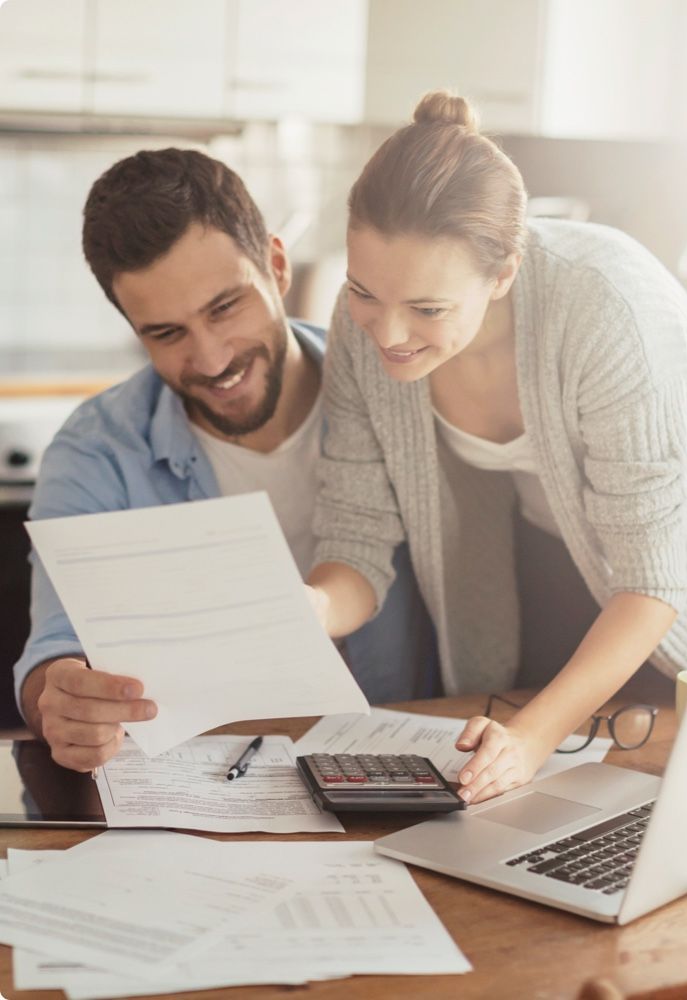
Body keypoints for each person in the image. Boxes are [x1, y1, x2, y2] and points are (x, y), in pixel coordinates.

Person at [306, 91, 687, 805]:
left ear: (504, 272)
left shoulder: (606, 307)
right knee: (540, 778)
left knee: (682, 768)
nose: (385, 334)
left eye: (428, 309)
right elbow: (355, 540)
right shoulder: (364, 328)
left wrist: (534, 739)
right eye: (364, 293)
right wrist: (309, 608)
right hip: (551, 530)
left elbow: (650, 583)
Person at [14, 148, 436, 773]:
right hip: (204, 788)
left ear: (277, 264)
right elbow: (53, 652)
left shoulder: (396, 393)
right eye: (166, 333)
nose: (211, 360)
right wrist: (63, 700)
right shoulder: (96, 450)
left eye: (224, 308)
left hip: (408, 771)